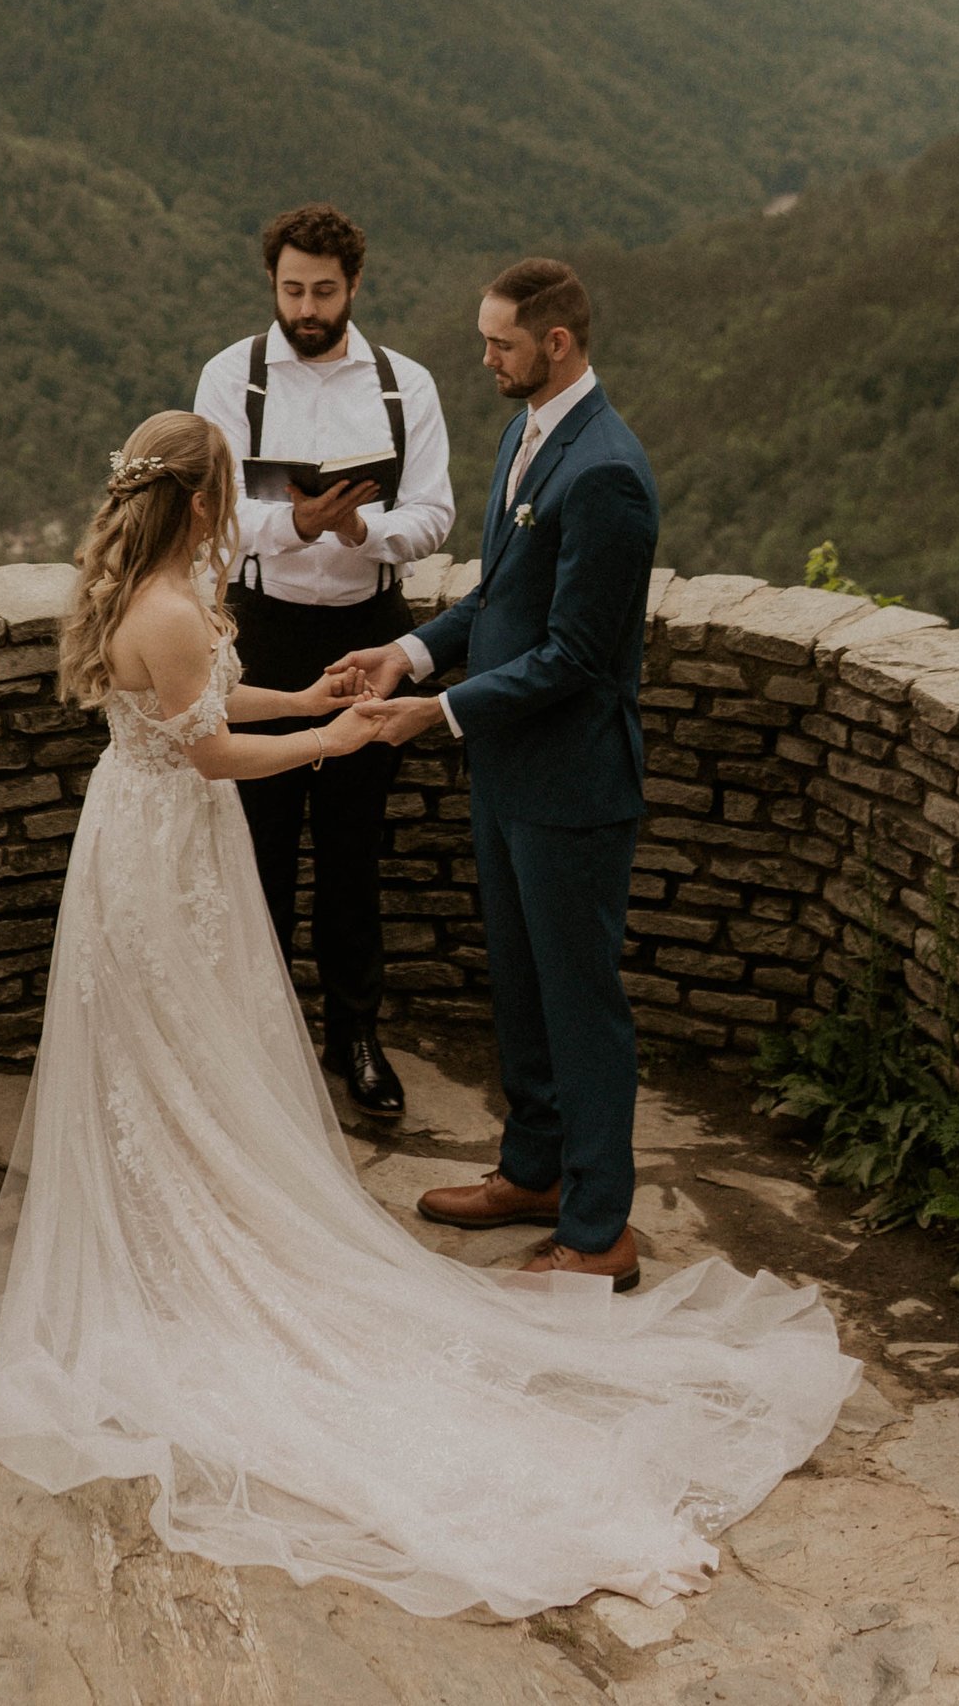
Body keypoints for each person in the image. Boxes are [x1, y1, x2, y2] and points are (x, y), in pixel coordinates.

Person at [0, 411, 851, 1619]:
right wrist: (331, 735)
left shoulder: (138, 593)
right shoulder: (167, 608)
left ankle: (178, 1223)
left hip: (137, 841)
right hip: (170, 844)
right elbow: (210, 753)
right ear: (202, 504)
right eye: (227, 492)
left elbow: (205, 703)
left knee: (171, 1053)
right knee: (179, 1047)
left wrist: (303, 692)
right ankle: (196, 1244)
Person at [345, 256, 660, 1289]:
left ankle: (600, 1228)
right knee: (521, 991)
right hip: (508, 774)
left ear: (556, 344)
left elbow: (576, 656)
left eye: (501, 344)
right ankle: (533, 1172)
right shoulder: (527, 435)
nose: (485, 359)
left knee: (580, 1006)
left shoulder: (605, 470)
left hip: (571, 787)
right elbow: (497, 601)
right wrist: (408, 654)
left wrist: (433, 714)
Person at [192, 204, 452, 1119]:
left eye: (325, 291)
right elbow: (212, 512)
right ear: (272, 282)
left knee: (352, 845)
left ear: (355, 285)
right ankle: (262, 1039)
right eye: (293, 289)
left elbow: (434, 513)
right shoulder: (230, 377)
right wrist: (295, 523)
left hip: (368, 627)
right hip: (262, 629)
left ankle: (355, 1036)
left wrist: (362, 531)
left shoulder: (404, 385)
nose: (307, 308)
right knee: (257, 844)